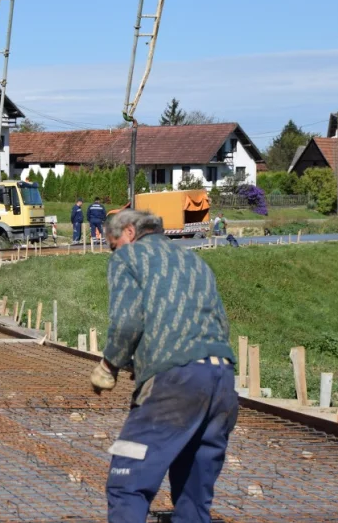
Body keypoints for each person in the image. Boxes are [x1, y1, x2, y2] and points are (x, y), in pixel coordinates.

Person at [90, 208, 238, 522]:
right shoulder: (195, 261)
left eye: (113, 245)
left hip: (173, 382)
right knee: (193, 496)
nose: (112, 252)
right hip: (221, 381)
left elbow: (128, 321)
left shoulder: (128, 259)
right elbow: (220, 323)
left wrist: (109, 365)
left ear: (128, 233)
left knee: (127, 482)